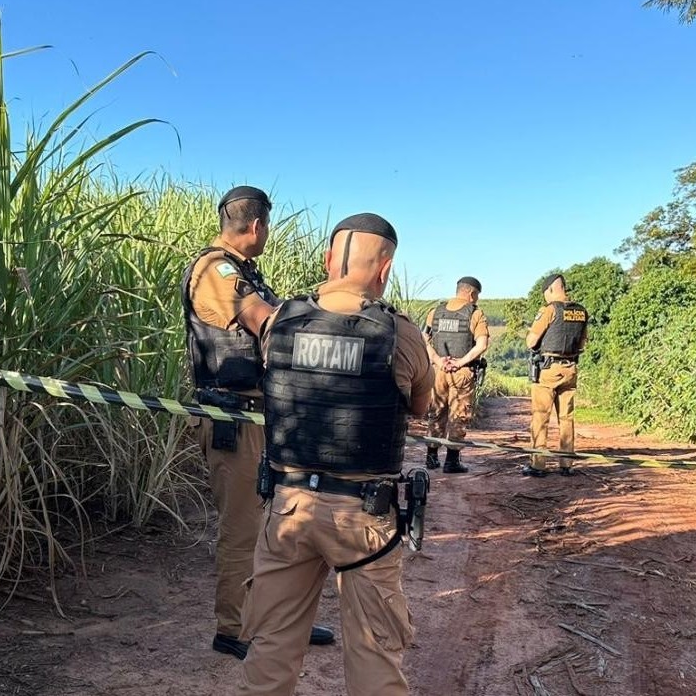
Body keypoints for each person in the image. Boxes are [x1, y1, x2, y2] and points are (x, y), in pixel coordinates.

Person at [236, 213, 434, 696]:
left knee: (271, 646)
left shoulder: (281, 320)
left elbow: (249, 319)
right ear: (385, 269)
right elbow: (424, 406)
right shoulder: (401, 335)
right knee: (374, 657)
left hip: (287, 508)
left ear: (328, 260)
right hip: (362, 517)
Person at [181, 186, 333, 659]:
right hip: (233, 418)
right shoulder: (215, 270)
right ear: (258, 226)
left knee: (281, 525)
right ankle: (235, 628)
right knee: (244, 528)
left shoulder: (244, 271)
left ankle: (277, 619)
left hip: (261, 418)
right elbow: (263, 320)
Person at [523, 273, 589, 477]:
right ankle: (566, 464)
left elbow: (531, 342)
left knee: (541, 416)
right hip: (571, 368)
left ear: (551, 289)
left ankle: (538, 464)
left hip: (549, 370)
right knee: (566, 418)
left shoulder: (549, 310)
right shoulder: (581, 311)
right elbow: (583, 343)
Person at [423, 276, 489, 473]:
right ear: (471, 294)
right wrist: (461, 362)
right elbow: (482, 345)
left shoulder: (435, 312)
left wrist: (437, 359)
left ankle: (431, 457)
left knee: (436, 411)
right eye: (476, 296)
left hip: (439, 370)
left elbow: (424, 338)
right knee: (459, 414)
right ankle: (452, 461)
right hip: (461, 372)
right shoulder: (475, 313)